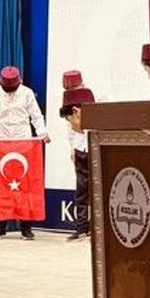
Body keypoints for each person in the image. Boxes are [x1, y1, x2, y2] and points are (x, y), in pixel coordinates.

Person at [0, 66, 47, 240]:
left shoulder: (27, 93)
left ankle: (26, 228)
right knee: (1, 186)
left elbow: (36, 115)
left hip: (24, 143)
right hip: (1, 142)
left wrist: (42, 132)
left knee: (25, 185)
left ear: (19, 82)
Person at [59, 86, 94, 241]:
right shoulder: (72, 105)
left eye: (69, 119)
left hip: (95, 150)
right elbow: (72, 133)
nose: (70, 124)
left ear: (76, 112)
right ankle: (81, 228)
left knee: (98, 191)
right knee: (81, 191)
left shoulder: (94, 106)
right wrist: (74, 148)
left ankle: (97, 228)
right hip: (81, 151)